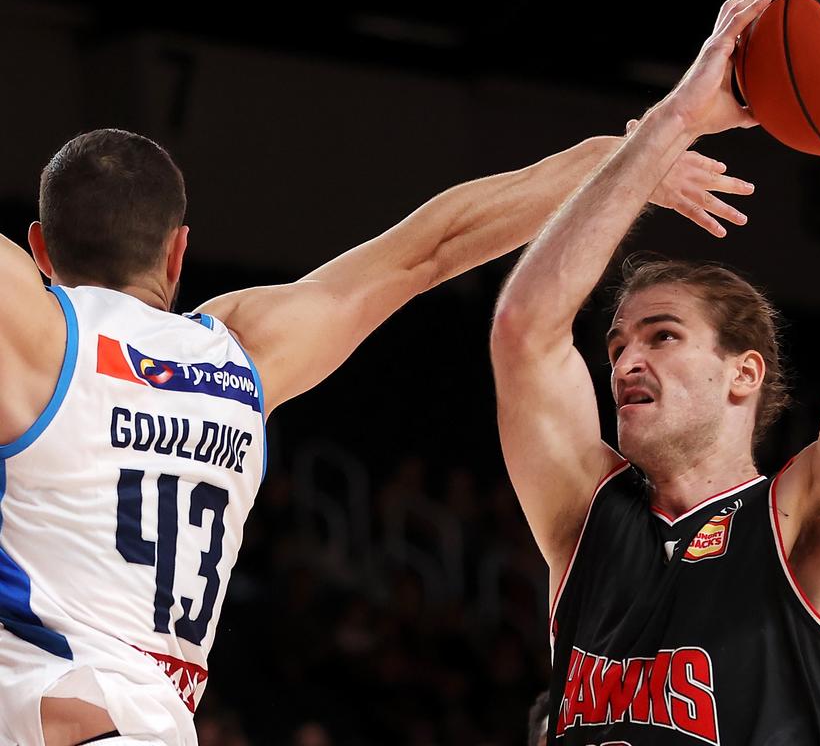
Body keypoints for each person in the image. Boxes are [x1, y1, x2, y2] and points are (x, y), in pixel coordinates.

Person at [0, 112, 752, 743]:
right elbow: (434, 246)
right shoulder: (240, 354)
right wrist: (623, 158)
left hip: (55, 714)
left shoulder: (39, 335)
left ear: (40, 250)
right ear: (178, 250)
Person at [489, 0, 820, 742]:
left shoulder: (802, 521)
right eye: (616, 345)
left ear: (745, 373)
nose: (625, 361)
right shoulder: (588, 520)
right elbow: (524, 328)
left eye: (662, 336)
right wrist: (676, 119)